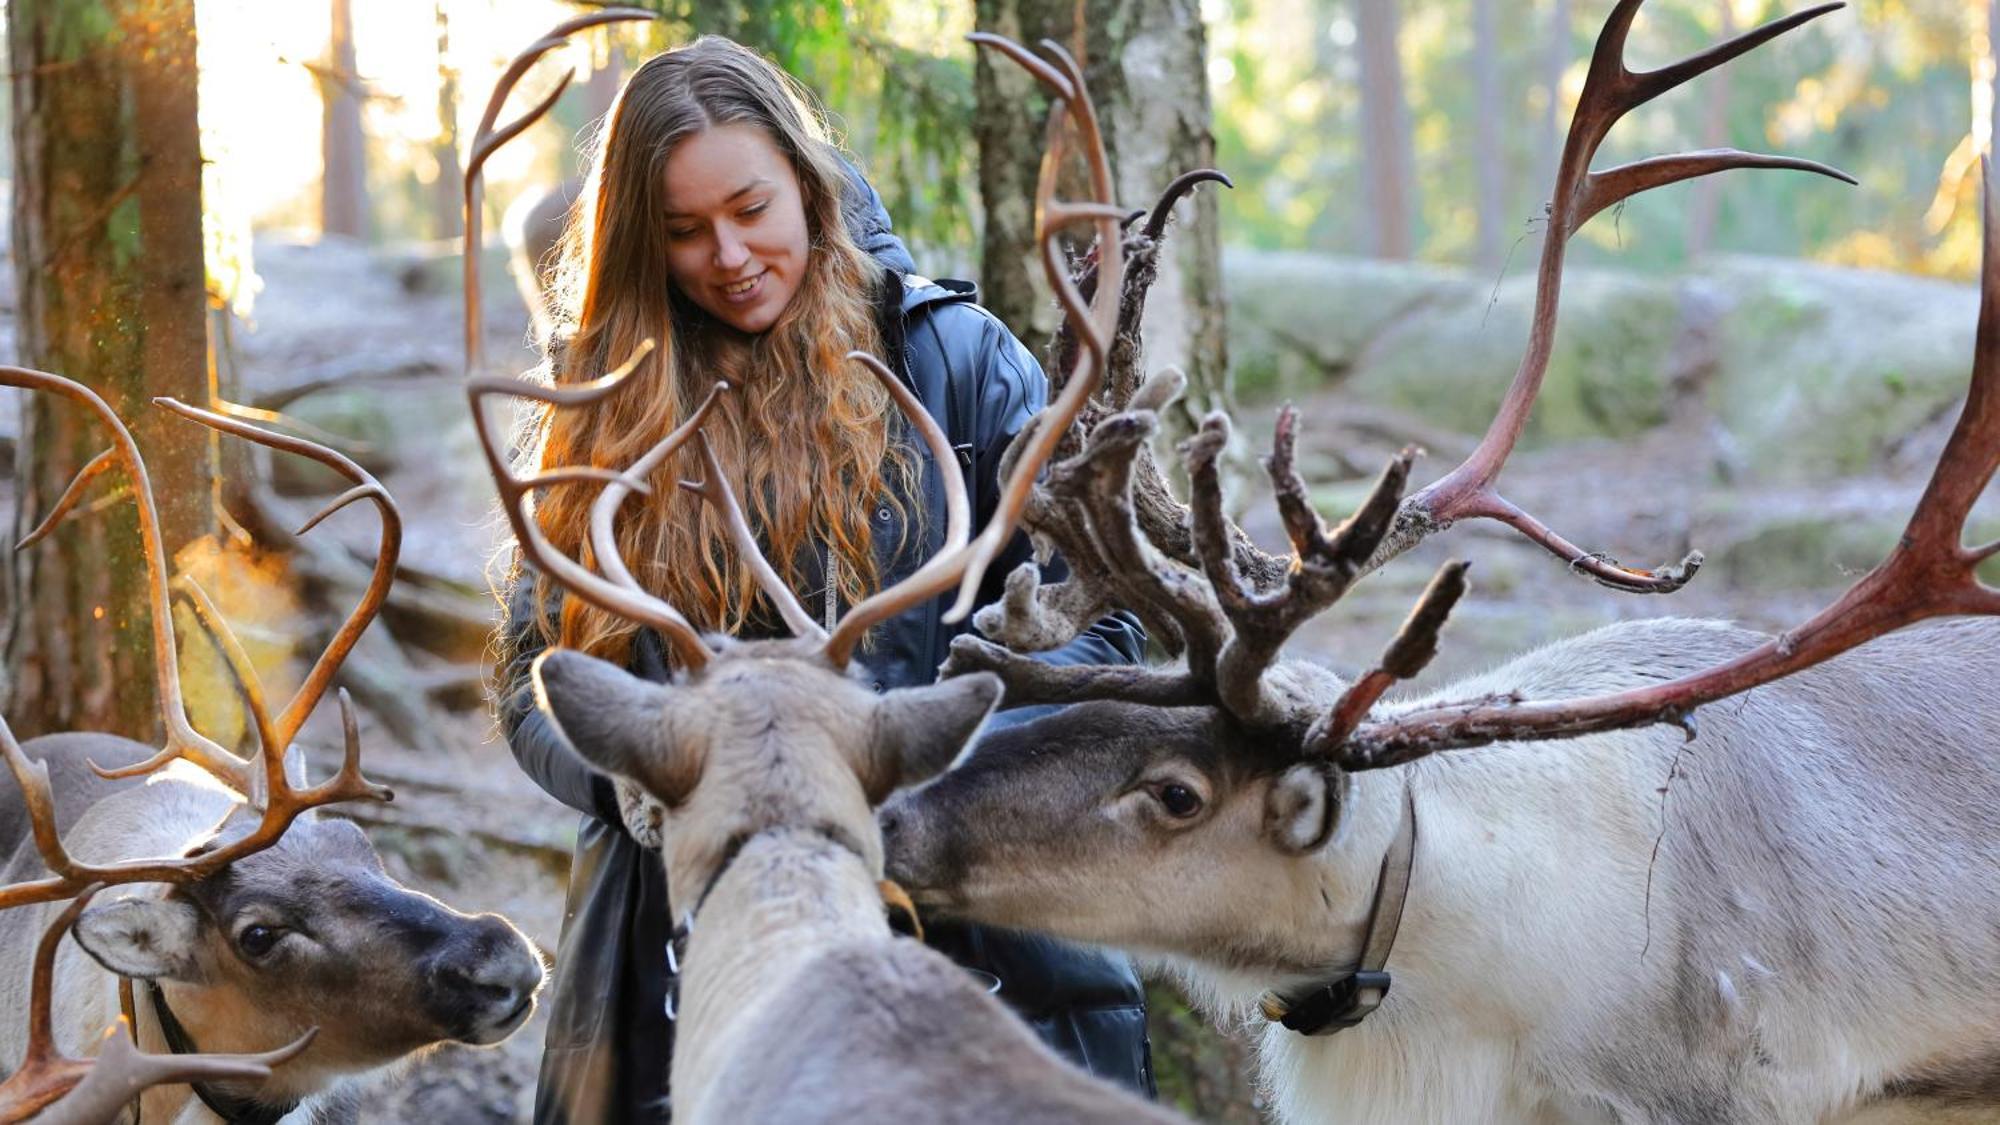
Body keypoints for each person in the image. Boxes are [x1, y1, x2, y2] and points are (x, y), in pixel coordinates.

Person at [492, 36, 1154, 1124]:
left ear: (806, 184)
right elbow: (536, 682)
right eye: (683, 231)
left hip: (974, 923)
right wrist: (632, 781)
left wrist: (911, 748)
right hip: (680, 955)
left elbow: (1105, 625)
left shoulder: (961, 363)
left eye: (750, 207)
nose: (730, 254)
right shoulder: (600, 403)